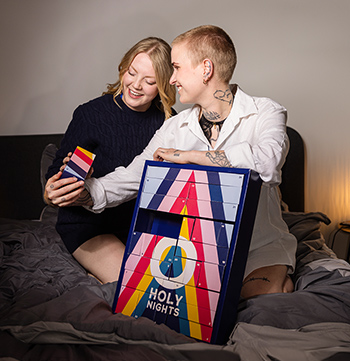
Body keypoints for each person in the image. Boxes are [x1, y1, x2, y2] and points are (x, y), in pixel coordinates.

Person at [48, 25, 297, 299]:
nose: (172, 78)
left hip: (258, 247)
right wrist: (87, 193)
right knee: (190, 301)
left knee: (256, 299)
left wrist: (188, 157)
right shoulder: (174, 127)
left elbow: (267, 164)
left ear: (206, 69)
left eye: (176, 67)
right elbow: (135, 175)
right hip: (201, 252)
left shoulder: (265, 112)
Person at [44, 37, 176, 284]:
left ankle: (101, 275)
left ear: (164, 85)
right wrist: (56, 189)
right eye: (131, 73)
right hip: (90, 226)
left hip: (141, 225)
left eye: (149, 81)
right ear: (122, 68)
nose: (135, 85)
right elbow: (55, 176)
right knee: (137, 288)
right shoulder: (91, 114)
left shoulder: (171, 123)